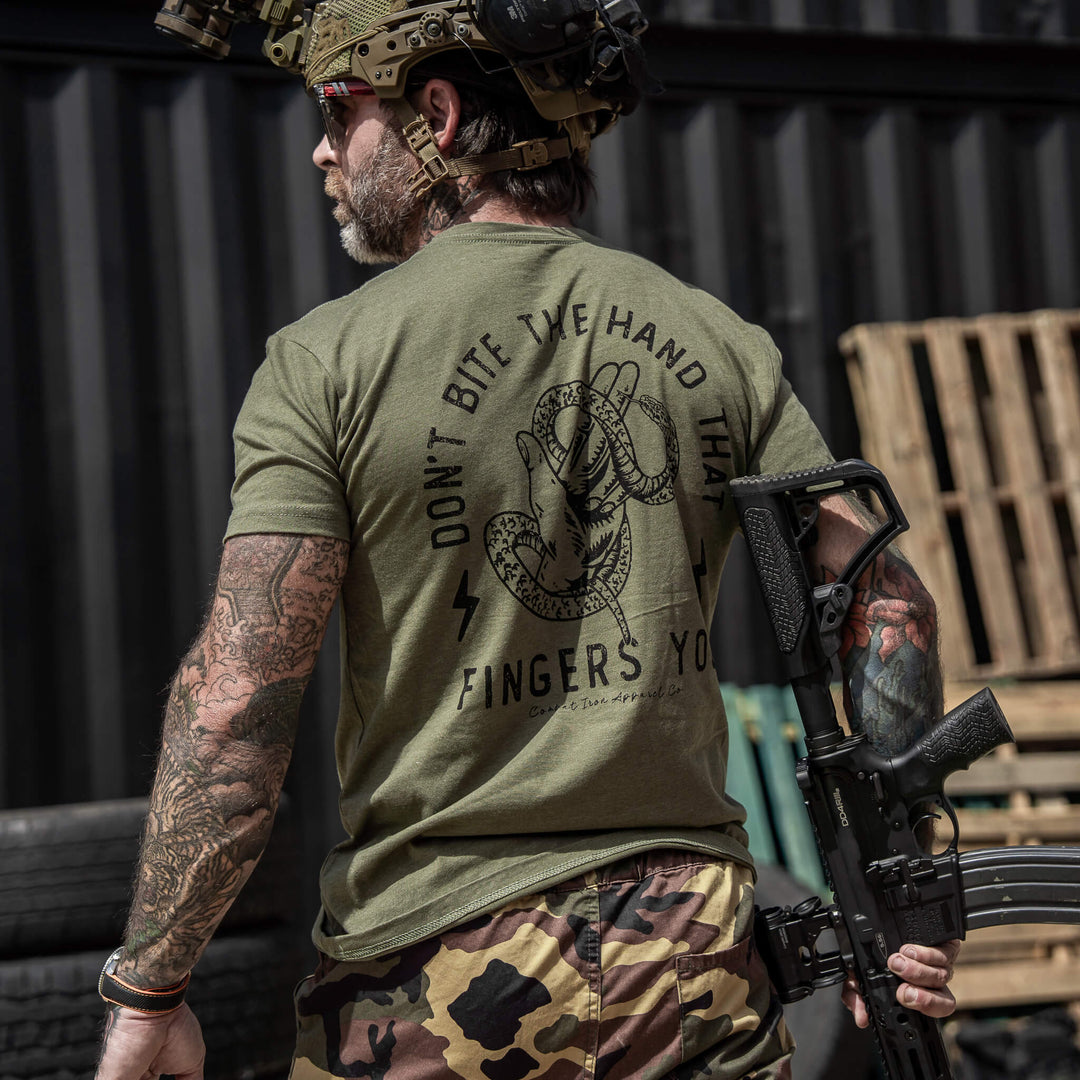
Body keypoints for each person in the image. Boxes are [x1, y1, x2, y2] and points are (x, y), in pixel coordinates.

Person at [96, 2, 959, 1077]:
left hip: (438, 978)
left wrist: (151, 986)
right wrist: (901, 907)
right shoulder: (714, 337)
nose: (323, 150)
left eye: (339, 110)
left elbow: (234, 709)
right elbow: (889, 603)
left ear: (439, 116)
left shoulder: (325, 363)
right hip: (693, 968)